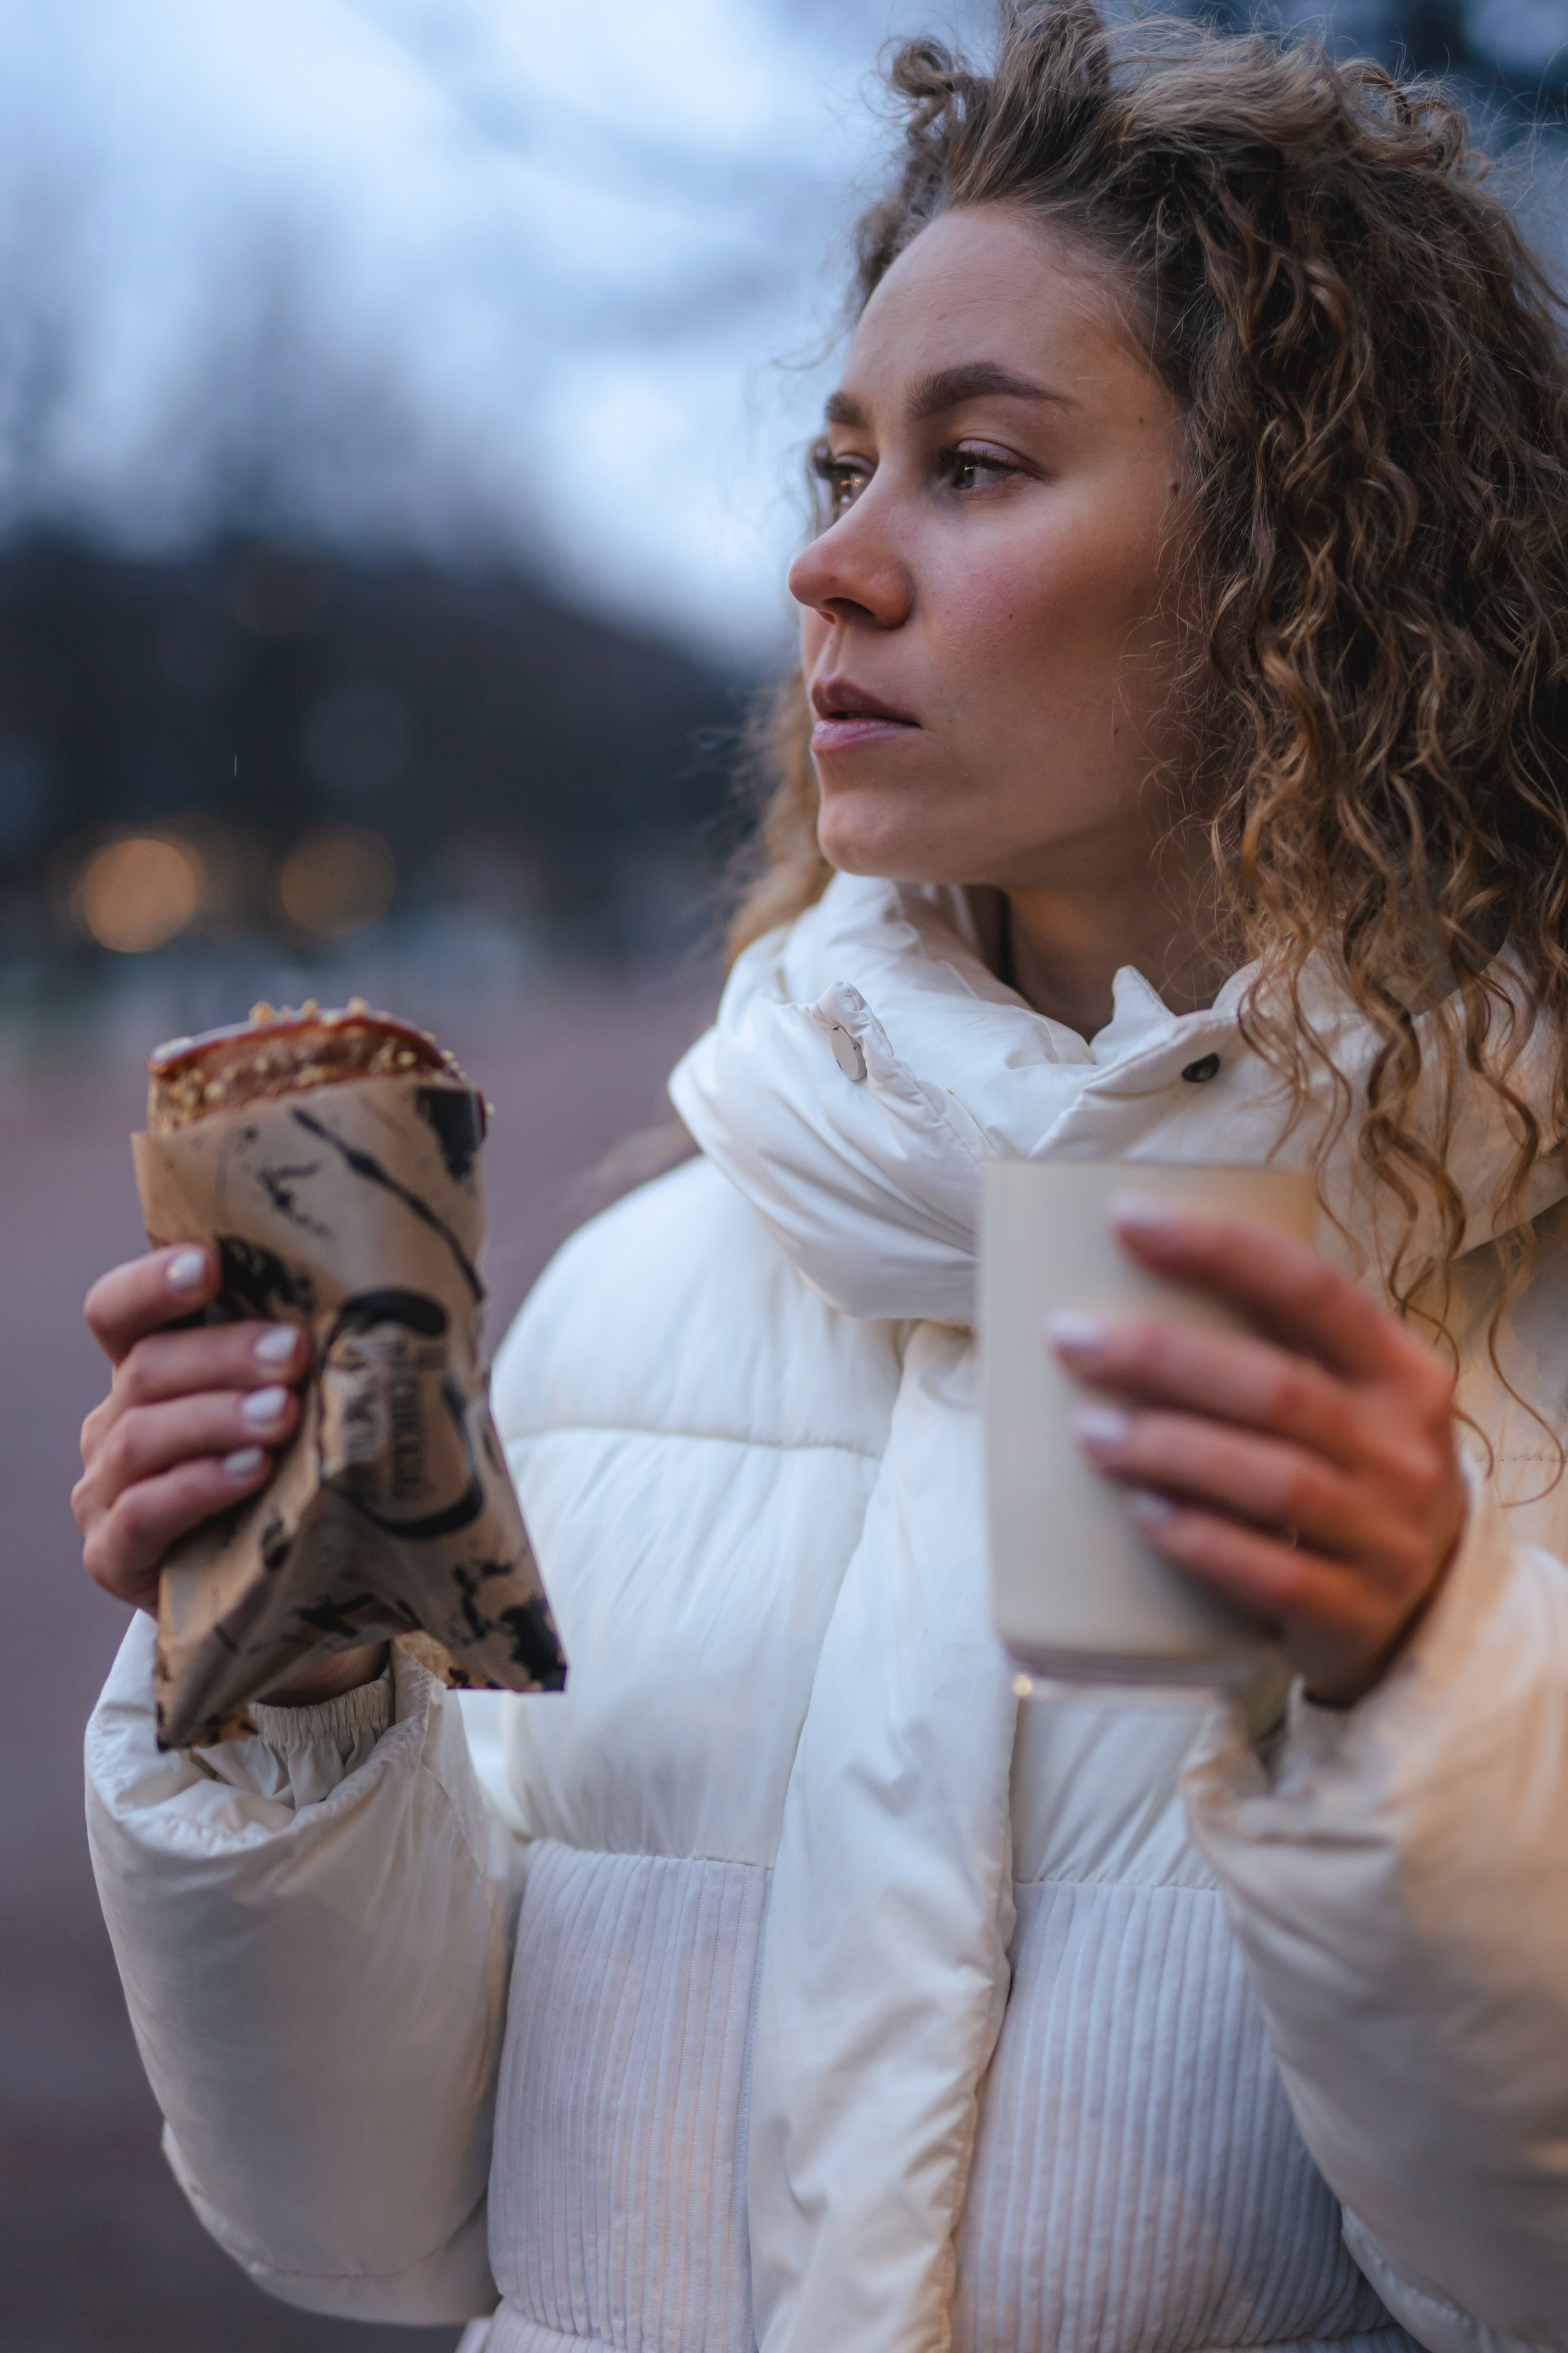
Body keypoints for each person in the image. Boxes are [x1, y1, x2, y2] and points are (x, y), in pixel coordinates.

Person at [76, 7, 1568, 2348]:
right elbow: (371, 2219)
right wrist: (281, 1685)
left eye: (972, 466)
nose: (830, 568)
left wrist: (1426, 1695)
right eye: (835, 461)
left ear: (1306, 558)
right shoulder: (644, 1285)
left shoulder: (1522, 1313)